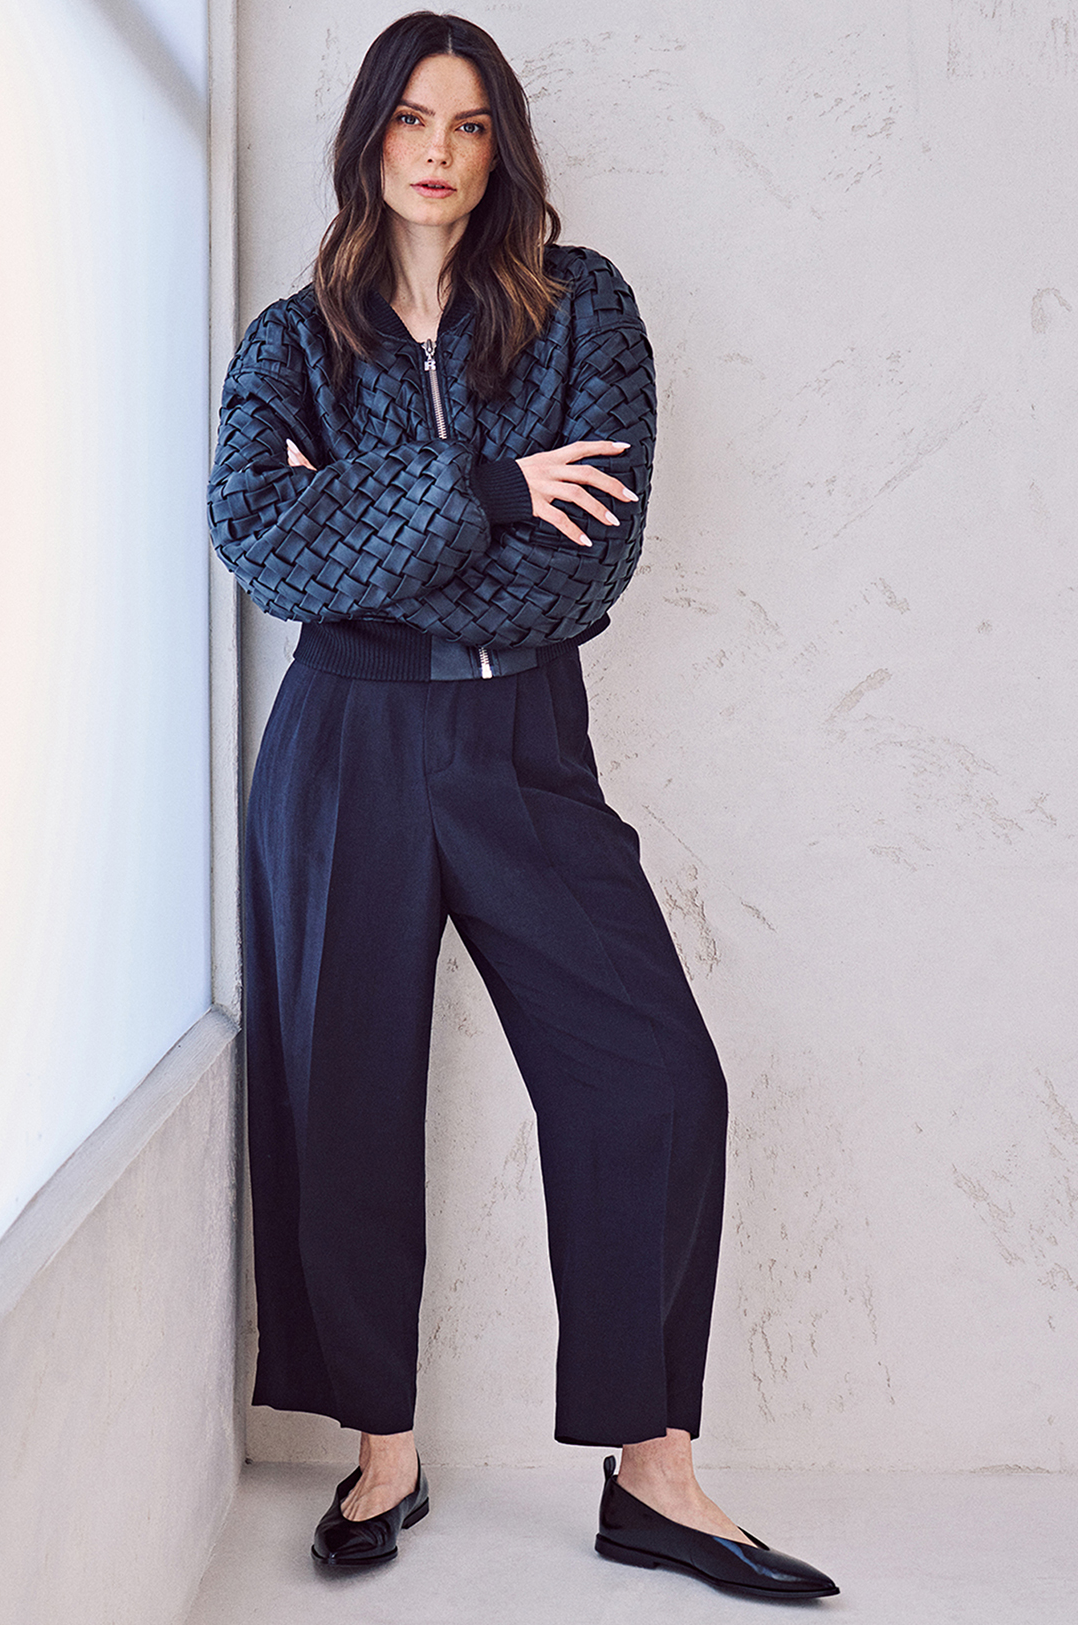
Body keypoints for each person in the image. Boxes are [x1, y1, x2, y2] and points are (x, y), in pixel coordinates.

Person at [208, 10, 838, 1601]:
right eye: (411, 118)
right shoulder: (292, 343)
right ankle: (384, 1451)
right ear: (369, 135)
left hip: (523, 739)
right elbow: (261, 543)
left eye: (469, 123)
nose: (438, 149)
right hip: (343, 745)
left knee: (656, 1076)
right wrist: (486, 488)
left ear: (503, 149)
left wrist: (364, 529)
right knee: (341, 1089)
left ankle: (654, 1472)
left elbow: (583, 561)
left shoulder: (581, 311)